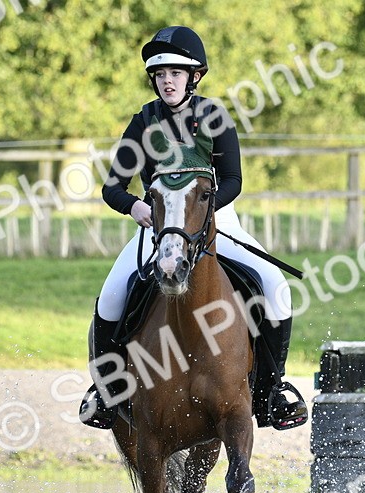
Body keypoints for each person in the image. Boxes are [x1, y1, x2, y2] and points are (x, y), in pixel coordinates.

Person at [79, 25, 307, 431]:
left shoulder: (215, 118)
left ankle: (273, 391)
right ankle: (105, 394)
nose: (167, 81)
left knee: (276, 285)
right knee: (112, 297)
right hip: (157, 228)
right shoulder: (143, 122)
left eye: (176, 73)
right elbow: (112, 187)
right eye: (161, 75)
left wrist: (205, 214)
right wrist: (135, 207)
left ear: (194, 76)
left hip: (215, 223)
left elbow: (234, 179)